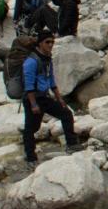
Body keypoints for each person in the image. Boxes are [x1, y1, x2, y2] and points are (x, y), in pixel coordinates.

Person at [21, 29, 83, 167]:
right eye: (47, 42)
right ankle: (30, 157)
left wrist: (59, 98)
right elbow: (28, 85)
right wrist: (33, 104)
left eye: (52, 42)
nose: (51, 45)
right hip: (33, 99)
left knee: (66, 113)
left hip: (44, 97)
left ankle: (72, 144)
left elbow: (51, 79)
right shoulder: (31, 62)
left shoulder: (47, 58)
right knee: (31, 128)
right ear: (40, 43)